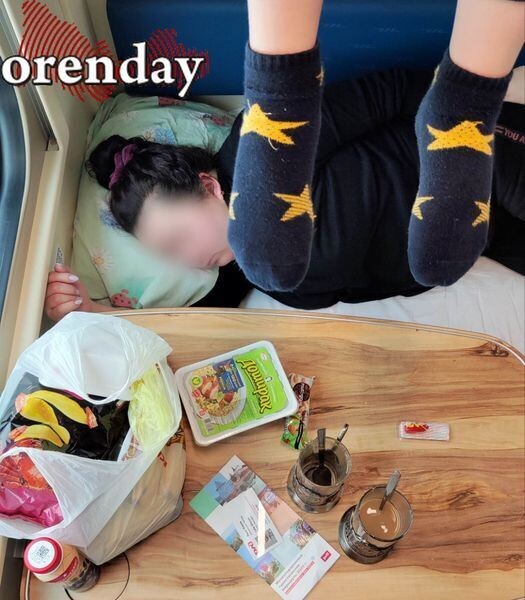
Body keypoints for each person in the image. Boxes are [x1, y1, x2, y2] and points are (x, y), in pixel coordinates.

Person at [45, 0, 525, 321]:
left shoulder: (260, 155)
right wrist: (96, 314)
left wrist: (462, 129)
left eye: (179, 238)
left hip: (481, 161)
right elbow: (199, 324)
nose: (187, 259)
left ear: (209, 186)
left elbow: (391, 93)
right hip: (477, 237)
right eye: (170, 255)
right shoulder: (246, 266)